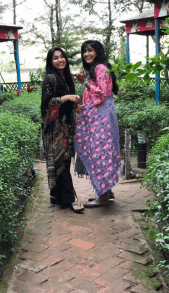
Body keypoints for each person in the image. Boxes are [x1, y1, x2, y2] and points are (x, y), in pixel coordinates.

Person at [75, 40, 121, 208]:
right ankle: (106, 192)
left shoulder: (100, 68)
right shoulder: (97, 68)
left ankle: (102, 196)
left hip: (101, 120)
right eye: (84, 51)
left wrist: (83, 82)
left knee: (99, 154)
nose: (87, 54)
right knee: (102, 153)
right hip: (100, 118)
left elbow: (101, 95)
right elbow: (95, 94)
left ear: (98, 52)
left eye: (90, 50)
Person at [41, 46, 84, 213]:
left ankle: (57, 195)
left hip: (66, 126)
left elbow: (68, 105)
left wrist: (75, 107)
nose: (60, 60)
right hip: (54, 129)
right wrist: (66, 98)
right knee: (62, 161)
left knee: (62, 161)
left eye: (62, 57)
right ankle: (71, 198)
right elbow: (46, 104)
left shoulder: (66, 77)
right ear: (50, 62)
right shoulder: (50, 79)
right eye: (55, 58)